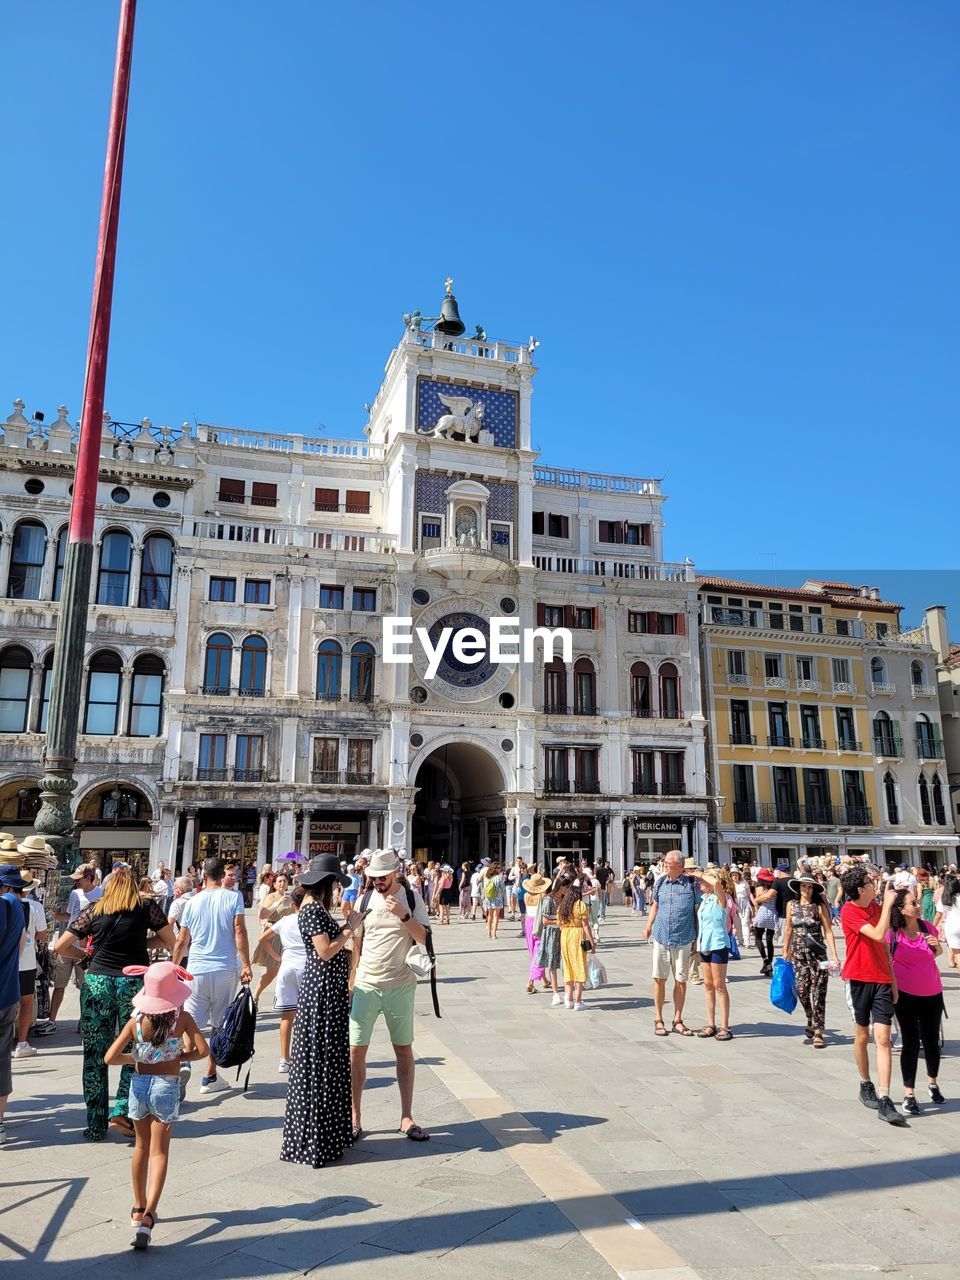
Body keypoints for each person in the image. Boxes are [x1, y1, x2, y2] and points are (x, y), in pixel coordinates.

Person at [53, 865, 175, 1141]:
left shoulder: (95, 909)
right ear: (132, 886)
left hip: (97, 982)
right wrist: (143, 946)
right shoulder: (146, 906)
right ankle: (121, 1108)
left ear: (106, 887)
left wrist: (84, 956)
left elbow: (61, 946)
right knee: (134, 1049)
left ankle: (95, 1125)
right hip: (132, 984)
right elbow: (170, 940)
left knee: (95, 1055)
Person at [104, 962, 207, 1249]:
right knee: (160, 1152)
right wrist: (178, 1055)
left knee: (140, 1147)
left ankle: (137, 1207)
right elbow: (202, 1051)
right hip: (167, 1085)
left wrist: (138, 1058)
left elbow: (110, 1057)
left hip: (138, 1085)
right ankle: (150, 1216)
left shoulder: (136, 1022)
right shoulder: (181, 1019)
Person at [349, 848, 431, 1143]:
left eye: (382, 877)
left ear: (396, 873)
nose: (377, 881)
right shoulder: (363, 899)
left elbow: (423, 937)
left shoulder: (411, 898)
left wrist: (404, 915)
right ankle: (355, 1116)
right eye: (373, 877)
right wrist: (352, 979)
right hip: (366, 985)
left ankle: (406, 1116)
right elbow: (357, 944)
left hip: (400, 985)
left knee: (403, 1049)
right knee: (356, 1051)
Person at [281, 857, 358, 1166]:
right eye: (335, 885)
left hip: (326, 990)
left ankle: (330, 1134)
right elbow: (325, 950)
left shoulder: (315, 909)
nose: (337, 890)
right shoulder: (313, 910)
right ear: (326, 884)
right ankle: (317, 1139)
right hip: (322, 991)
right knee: (321, 1059)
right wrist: (350, 929)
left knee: (327, 1059)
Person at [172, 856, 252, 1097]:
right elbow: (239, 931)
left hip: (196, 969)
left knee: (189, 1022)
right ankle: (209, 1075)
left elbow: (182, 940)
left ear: (203, 876)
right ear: (221, 875)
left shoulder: (192, 902)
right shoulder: (233, 897)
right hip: (225, 968)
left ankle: (184, 1062)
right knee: (219, 1024)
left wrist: (173, 967)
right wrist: (246, 964)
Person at [839, 864, 907, 1126]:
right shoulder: (849, 911)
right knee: (862, 1034)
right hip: (858, 978)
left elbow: (886, 947)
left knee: (883, 1038)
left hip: (880, 979)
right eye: (870, 882)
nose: (874, 885)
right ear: (860, 889)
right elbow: (878, 934)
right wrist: (888, 904)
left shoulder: (876, 907)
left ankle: (885, 1097)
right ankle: (865, 1082)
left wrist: (893, 981)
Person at [887, 889, 946, 1116]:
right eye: (913, 903)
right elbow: (887, 961)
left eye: (918, 902)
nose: (918, 906)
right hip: (905, 995)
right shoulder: (893, 934)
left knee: (931, 1042)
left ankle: (933, 1083)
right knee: (910, 1043)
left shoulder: (927, 928)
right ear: (901, 909)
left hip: (933, 993)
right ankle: (909, 1093)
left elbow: (936, 953)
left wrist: (938, 947)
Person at [644, 850, 700, 1038]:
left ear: (680, 866)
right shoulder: (660, 882)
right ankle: (658, 1018)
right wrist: (649, 925)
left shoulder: (692, 885)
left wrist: (697, 938)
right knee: (659, 978)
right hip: (661, 935)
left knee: (681, 980)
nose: (665, 864)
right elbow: (655, 905)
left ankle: (677, 1019)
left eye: (668, 862)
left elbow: (698, 909)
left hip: (684, 937)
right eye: (665, 862)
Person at [783, 873, 840, 1049]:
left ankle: (818, 1030)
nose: (807, 890)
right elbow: (788, 928)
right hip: (799, 954)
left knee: (819, 991)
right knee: (801, 990)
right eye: (804, 886)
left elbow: (828, 931)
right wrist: (786, 950)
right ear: (798, 888)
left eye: (809, 887)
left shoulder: (819, 906)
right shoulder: (791, 905)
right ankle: (810, 1017)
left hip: (818, 954)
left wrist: (835, 954)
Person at [259, 884, 308, 1072]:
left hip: (287, 967)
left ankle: (284, 1059)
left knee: (287, 1015)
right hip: (307, 966)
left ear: (293, 904)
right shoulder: (311, 919)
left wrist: (277, 956)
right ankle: (304, 1055)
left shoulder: (286, 920)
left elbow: (262, 938)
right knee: (307, 1015)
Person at [49, 863, 102, 1035]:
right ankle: (52, 1020)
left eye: (79, 879)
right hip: (68, 944)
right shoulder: (74, 894)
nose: (77, 882)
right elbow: (71, 915)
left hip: (86, 946)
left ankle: (83, 1019)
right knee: (59, 984)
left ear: (89, 878)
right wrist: (56, 916)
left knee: (85, 986)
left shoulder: (101, 895)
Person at [6, 871, 47, 1058]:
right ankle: (21, 1042)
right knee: (26, 1002)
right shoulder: (35, 906)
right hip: (27, 962)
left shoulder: (4, 904)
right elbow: (42, 933)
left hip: (7, 961)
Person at [0, 876, 26, 1145]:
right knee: (2, 1060)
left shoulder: (2, 905)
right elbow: (20, 949)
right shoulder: (18, 907)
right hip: (8, 992)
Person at [695, 869, 733, 1041]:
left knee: (719, 986)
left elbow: (717, 884)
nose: (700, 883)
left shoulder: (721, 898)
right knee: (708, 985)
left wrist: (699, 873)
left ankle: (725, 1026)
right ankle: (711, 1023)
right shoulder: (705, 900)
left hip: (718, 944)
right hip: (705, 945)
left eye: (703, 881)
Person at [252, 873, 292, 1003]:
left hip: (287, 935)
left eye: (284, 881)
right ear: (274, 884)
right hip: (273, 935)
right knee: (272, 971)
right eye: (279, 881)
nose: (282, 884)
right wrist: (277, 903)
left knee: (286, 970)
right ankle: (255, 995)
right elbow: (263, 914)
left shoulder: (290, 897)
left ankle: (283, 998)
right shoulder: (272, 896)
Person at [556, 877, 594, 1010]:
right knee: (579, 966)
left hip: (565, 935)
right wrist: (591, 941)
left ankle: (568, 998)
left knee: (568, 967)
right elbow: (585, 925)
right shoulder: (580, 905)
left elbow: (559, 924)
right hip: (577, 935)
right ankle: (578, 1001)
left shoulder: (562, 906)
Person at [520, 871, 551, 994]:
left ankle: (544, 979)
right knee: (539, 952)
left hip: (529, 922)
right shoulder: (542, 897)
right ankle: (530, 981)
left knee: (533, 950)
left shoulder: (527, 895)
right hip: (539, 924)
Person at [753, 868, 778, 976]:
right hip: (773, 913)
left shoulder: (759, 888)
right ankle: (770, 965)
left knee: (758, 938)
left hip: (763, 912)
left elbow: (757, 902)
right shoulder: (774, 888)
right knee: (769, 940)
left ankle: (765, 960)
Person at [936, 873, 960, 970]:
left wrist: (933, 926)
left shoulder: (944, 899)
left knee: (957, 953)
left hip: (951, 926)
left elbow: (938, 914)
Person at [482, 862, 505, 940]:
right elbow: (503, 888)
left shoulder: (488, 876)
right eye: (498, 868)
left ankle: (488, 933)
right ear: (495, 869)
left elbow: (485, 887)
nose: (500, 869)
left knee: (490, 916)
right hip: (497, 898)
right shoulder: (500, 877)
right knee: (496, 916)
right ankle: (494, 933)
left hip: (488, 898)